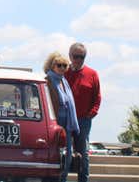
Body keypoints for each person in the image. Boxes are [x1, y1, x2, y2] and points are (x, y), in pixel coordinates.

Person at [64, 43, 101, 182]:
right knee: (65, 152)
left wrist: (92, 113)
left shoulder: (92, 74)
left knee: (83, 153)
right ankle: (63, 179)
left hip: (83, 120)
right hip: (65, 119)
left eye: (82, 57)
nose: (78, 59)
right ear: (70, 56)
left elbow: (97, 97)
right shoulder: (63, 71)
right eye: (76, 56)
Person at [45, 52, 79, 182]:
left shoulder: (64, 82)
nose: (62, 68)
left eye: (65, 65)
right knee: (56, 158)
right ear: (52, 66)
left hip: (68, 124)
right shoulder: (47, 81)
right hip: (55, 124)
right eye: (59, 65)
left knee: (68, 157)